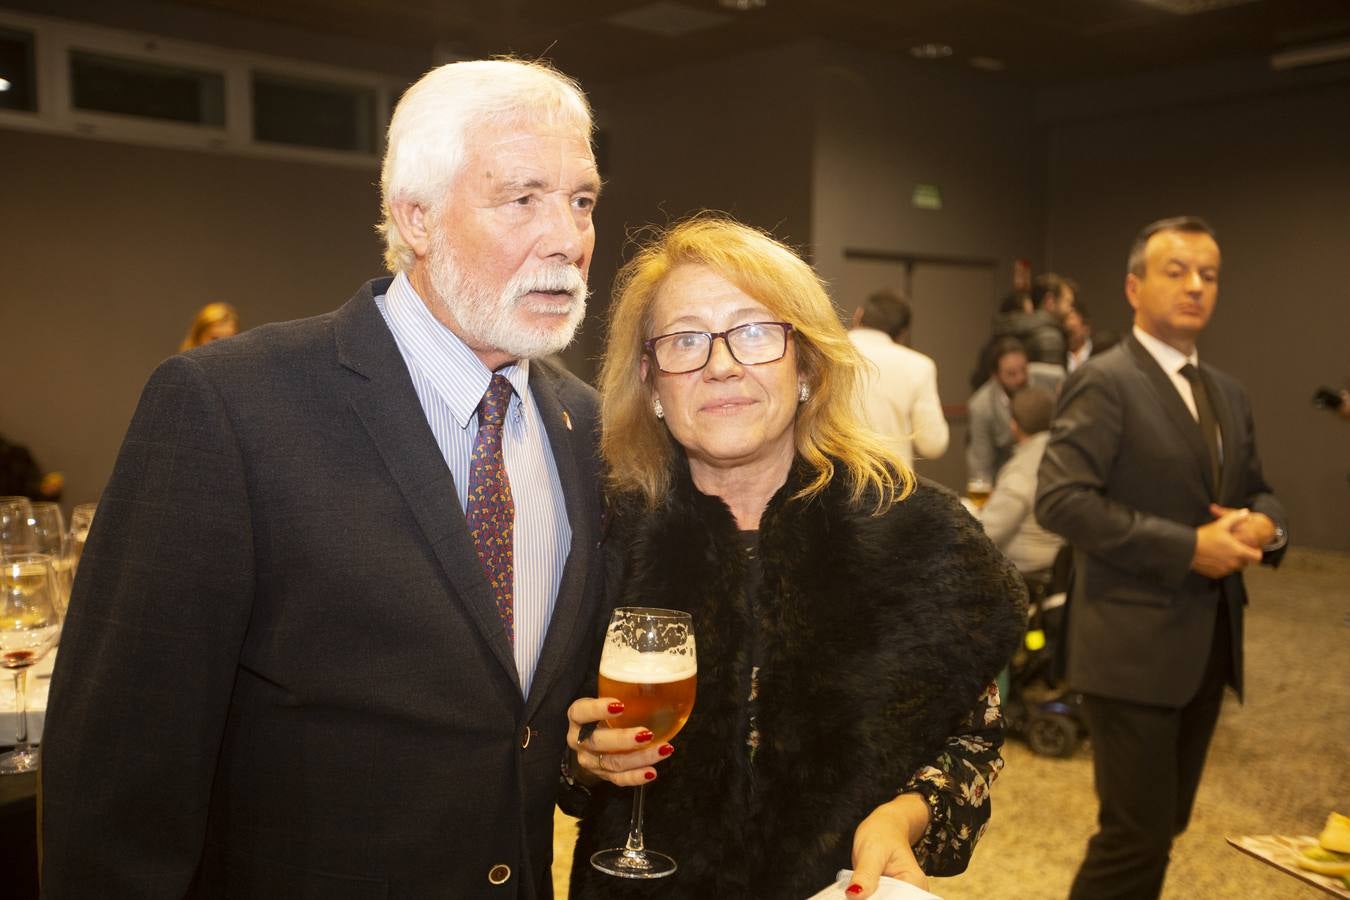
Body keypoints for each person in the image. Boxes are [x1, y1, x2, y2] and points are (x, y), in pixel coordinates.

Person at [41, 58, 606, 897]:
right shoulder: (228, 406)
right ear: (416, 217)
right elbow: (121, 766)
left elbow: (519, 717)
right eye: (523, 198)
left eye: (582, 200)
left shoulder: (586, 427)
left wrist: (586, 760)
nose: (567, 237)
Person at [564, 217, 1026, 899]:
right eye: (685, 339)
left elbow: (973, 744)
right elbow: (534, 737)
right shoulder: (598, 531)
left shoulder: (917, 536)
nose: (721, 365)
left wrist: (903, 819)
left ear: (807, 364)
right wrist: (579, 759)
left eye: (753, 332)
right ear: (652, 382)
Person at [1036, 215, 1288, 900]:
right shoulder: (1109, 381)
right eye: (1176, 271)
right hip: (1131, 645)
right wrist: (1188, 548)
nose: (1196, 287)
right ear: (1133, 285)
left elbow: (1257, 486)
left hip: (1208, 643)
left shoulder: (1225, 392)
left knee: (1164, 826)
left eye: (1208, 275)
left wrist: (1268, 525)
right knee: (1132, 836)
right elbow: (1060, 501)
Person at [848, 288, 949, 466]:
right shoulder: (919, 366)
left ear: (859, 314)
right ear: (902, 334)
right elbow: (933, 444)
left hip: (833, 480)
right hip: (893, 483)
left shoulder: (829, 351)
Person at [977, 386, 1062, 577]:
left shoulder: (1021, 470)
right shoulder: (1063, 454)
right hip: (1060, 568)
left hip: (1026, 575)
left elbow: (988, 531)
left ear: (1014, 425)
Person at [966, 337, 1063, 486]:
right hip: (1011, 480)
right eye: (1011, 374)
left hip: (1053, 473)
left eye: (1024, 370)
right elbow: (981, 465)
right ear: (995, 376)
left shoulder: (1051, 379)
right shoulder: (982, 406)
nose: (1021, 378)